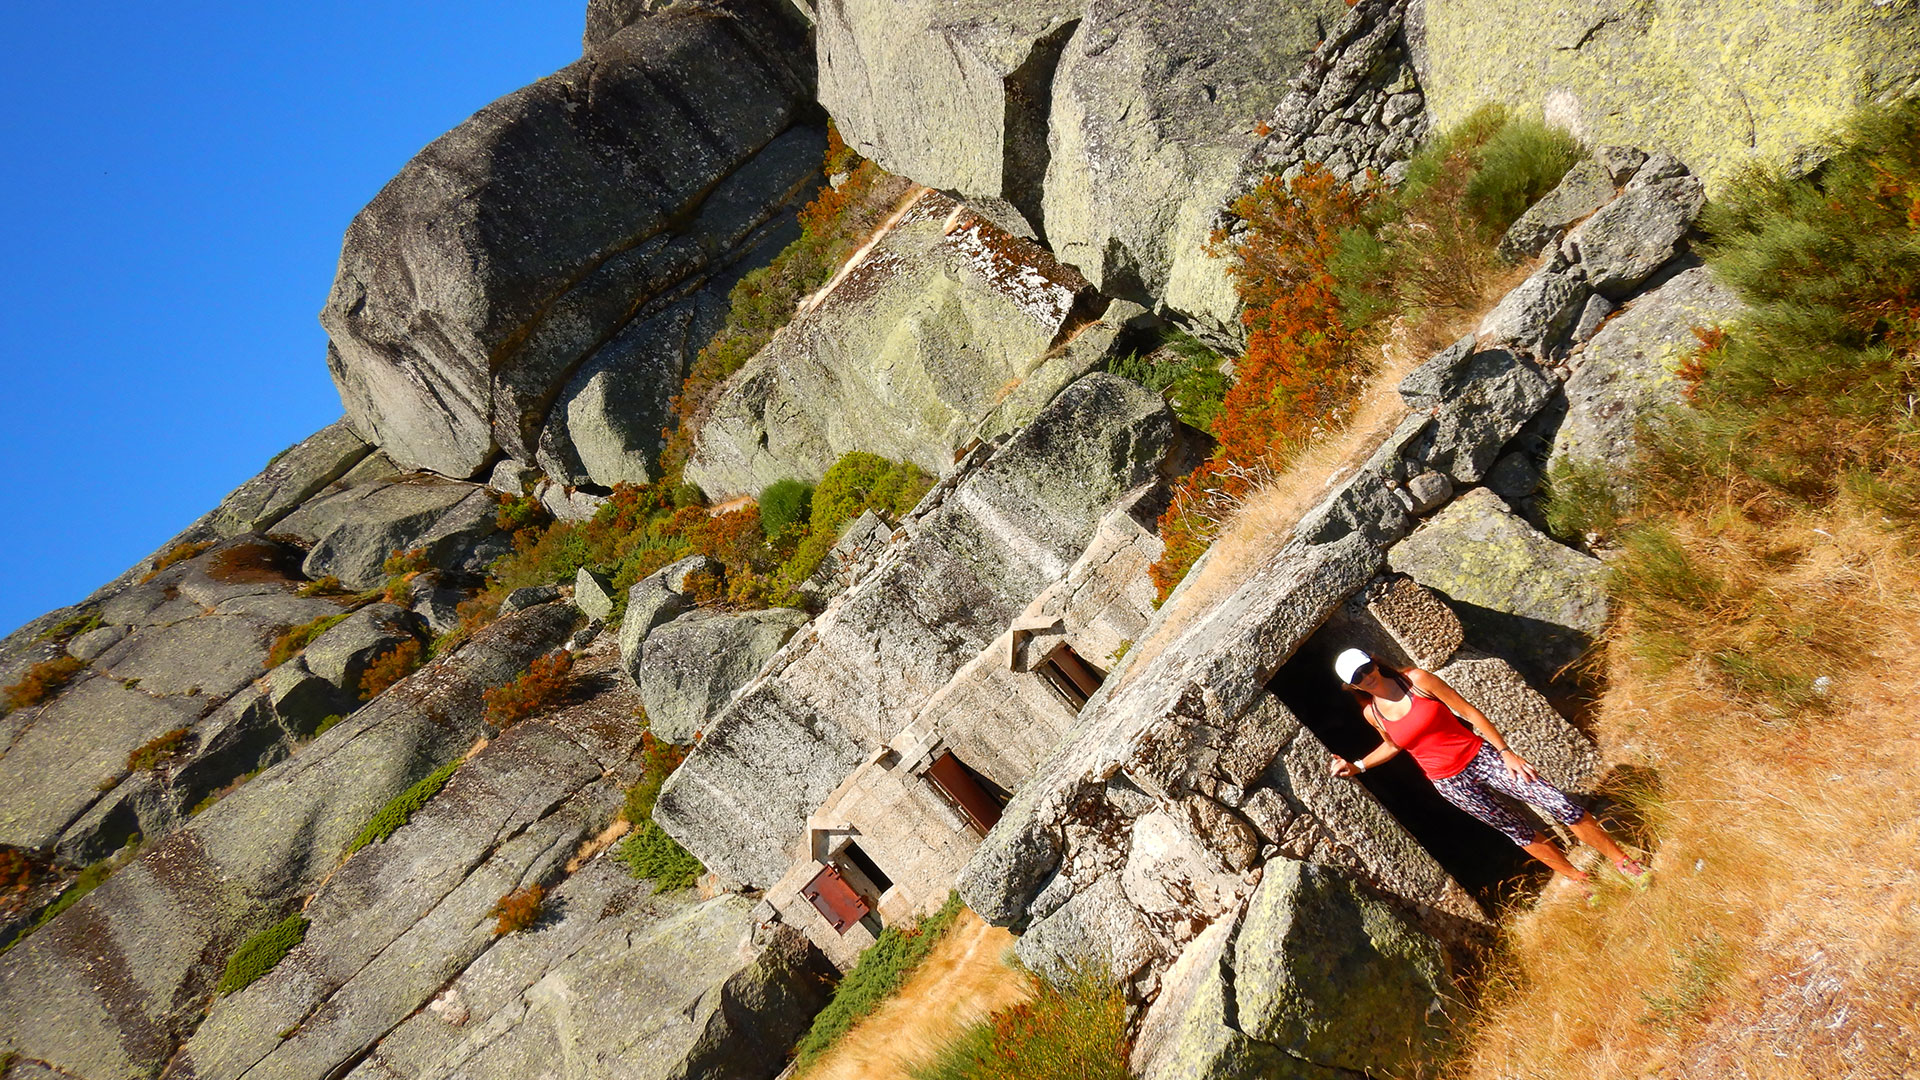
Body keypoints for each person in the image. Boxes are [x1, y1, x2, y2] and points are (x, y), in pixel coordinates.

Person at [1326, 647, 1649, 892]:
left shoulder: (1417, 680)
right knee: (1517, 831)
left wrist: (1506, 752)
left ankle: (1623, 861)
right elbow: (1395, 744)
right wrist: (1358, 766)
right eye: (1356, 677)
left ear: (1373, 661)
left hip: (1481, 757)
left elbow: (1469, 711)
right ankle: (1579, 879)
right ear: (1349, 686)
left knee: (1558, 802)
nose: (1365, 676)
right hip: (1449, 783)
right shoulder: (1373, 714)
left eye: (1366, 667)